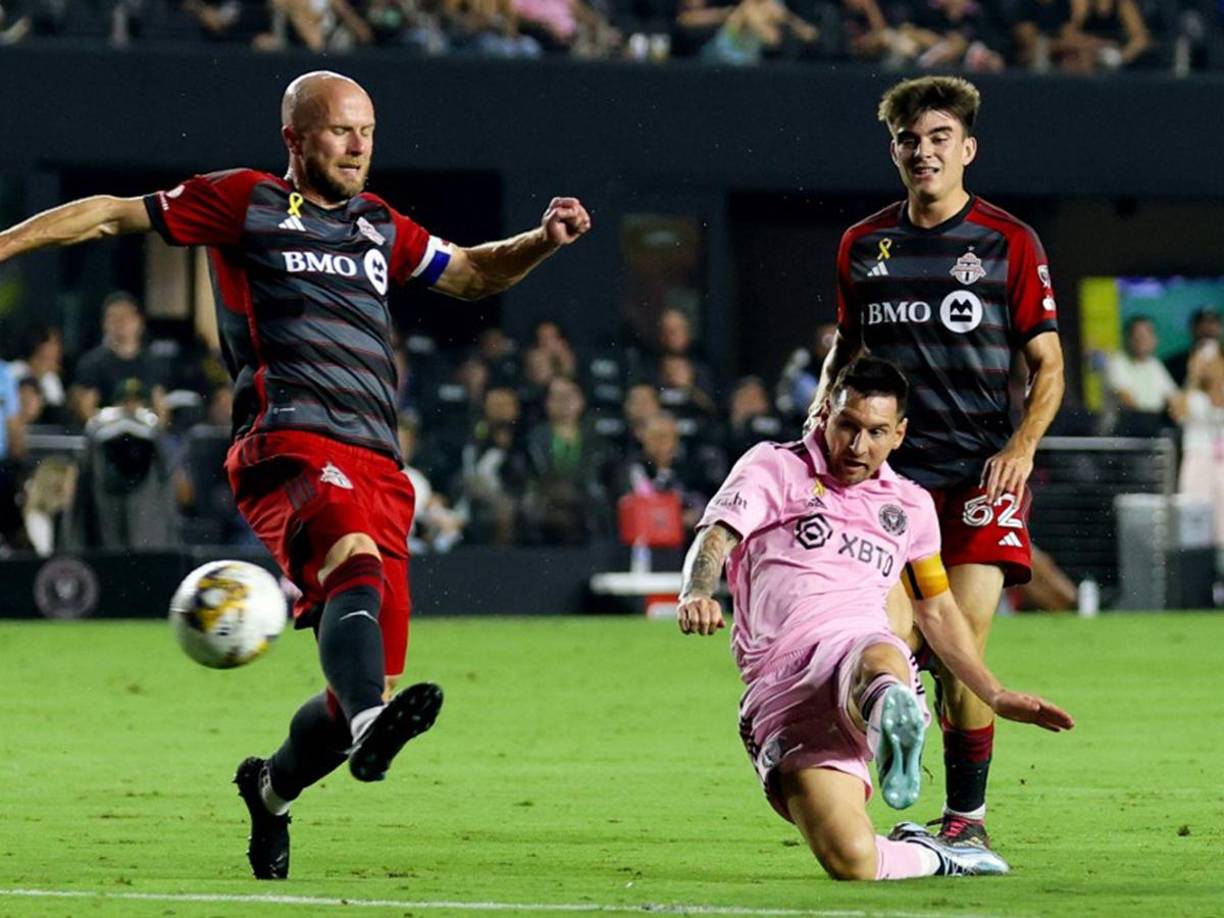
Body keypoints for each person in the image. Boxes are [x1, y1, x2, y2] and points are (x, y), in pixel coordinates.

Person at [0, 69, 591, 879]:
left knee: (362, 678)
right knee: (354, 569)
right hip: (288, 442)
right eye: (341, 130)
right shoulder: (243, 201)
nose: (358, 147)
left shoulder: (380, 225)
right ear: (296, 138)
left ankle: (272, 791)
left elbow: (471, 274)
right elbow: (109, 217)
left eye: (368, 132)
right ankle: (372, 724)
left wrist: (540, 241)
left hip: (379, 462)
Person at [678, 357, 1073, 880]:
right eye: (847, 426)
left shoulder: (909, 506)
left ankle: (893, 712)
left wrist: (993, 694)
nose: (857, 447)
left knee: (879, 654)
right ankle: (941, 854)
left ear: (899, 434)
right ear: (825, 415)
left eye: (875, 432)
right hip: (782, 692)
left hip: (856, 652)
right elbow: (717, 535)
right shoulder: (773, 466)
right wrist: (696, 591)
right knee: (854, 861)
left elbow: (936, 609)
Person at [813, 76, 1066, 851]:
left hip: (978, 478)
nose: (923, 152)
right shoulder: (863, 245)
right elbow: (847, 353)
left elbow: (1049, 366)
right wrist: (819, 419)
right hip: (891, 486)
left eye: (938, 139)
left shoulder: (1008, 242)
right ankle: (898, 725)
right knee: (879, 643)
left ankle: (968, 824)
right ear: (894, 152)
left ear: (967, 149)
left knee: (964, 643)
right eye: (909, 141)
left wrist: (1020, 447)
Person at [1103, 315, 1181, 435]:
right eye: (1137, 335)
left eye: (1146, 335)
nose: (1141, 340)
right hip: (1120, 435)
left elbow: (1174, 399)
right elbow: (1128, 402)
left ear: (1155, 339)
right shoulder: (1116, 362)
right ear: (1127, 338)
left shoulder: (1155, 365)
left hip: (1151, 431)